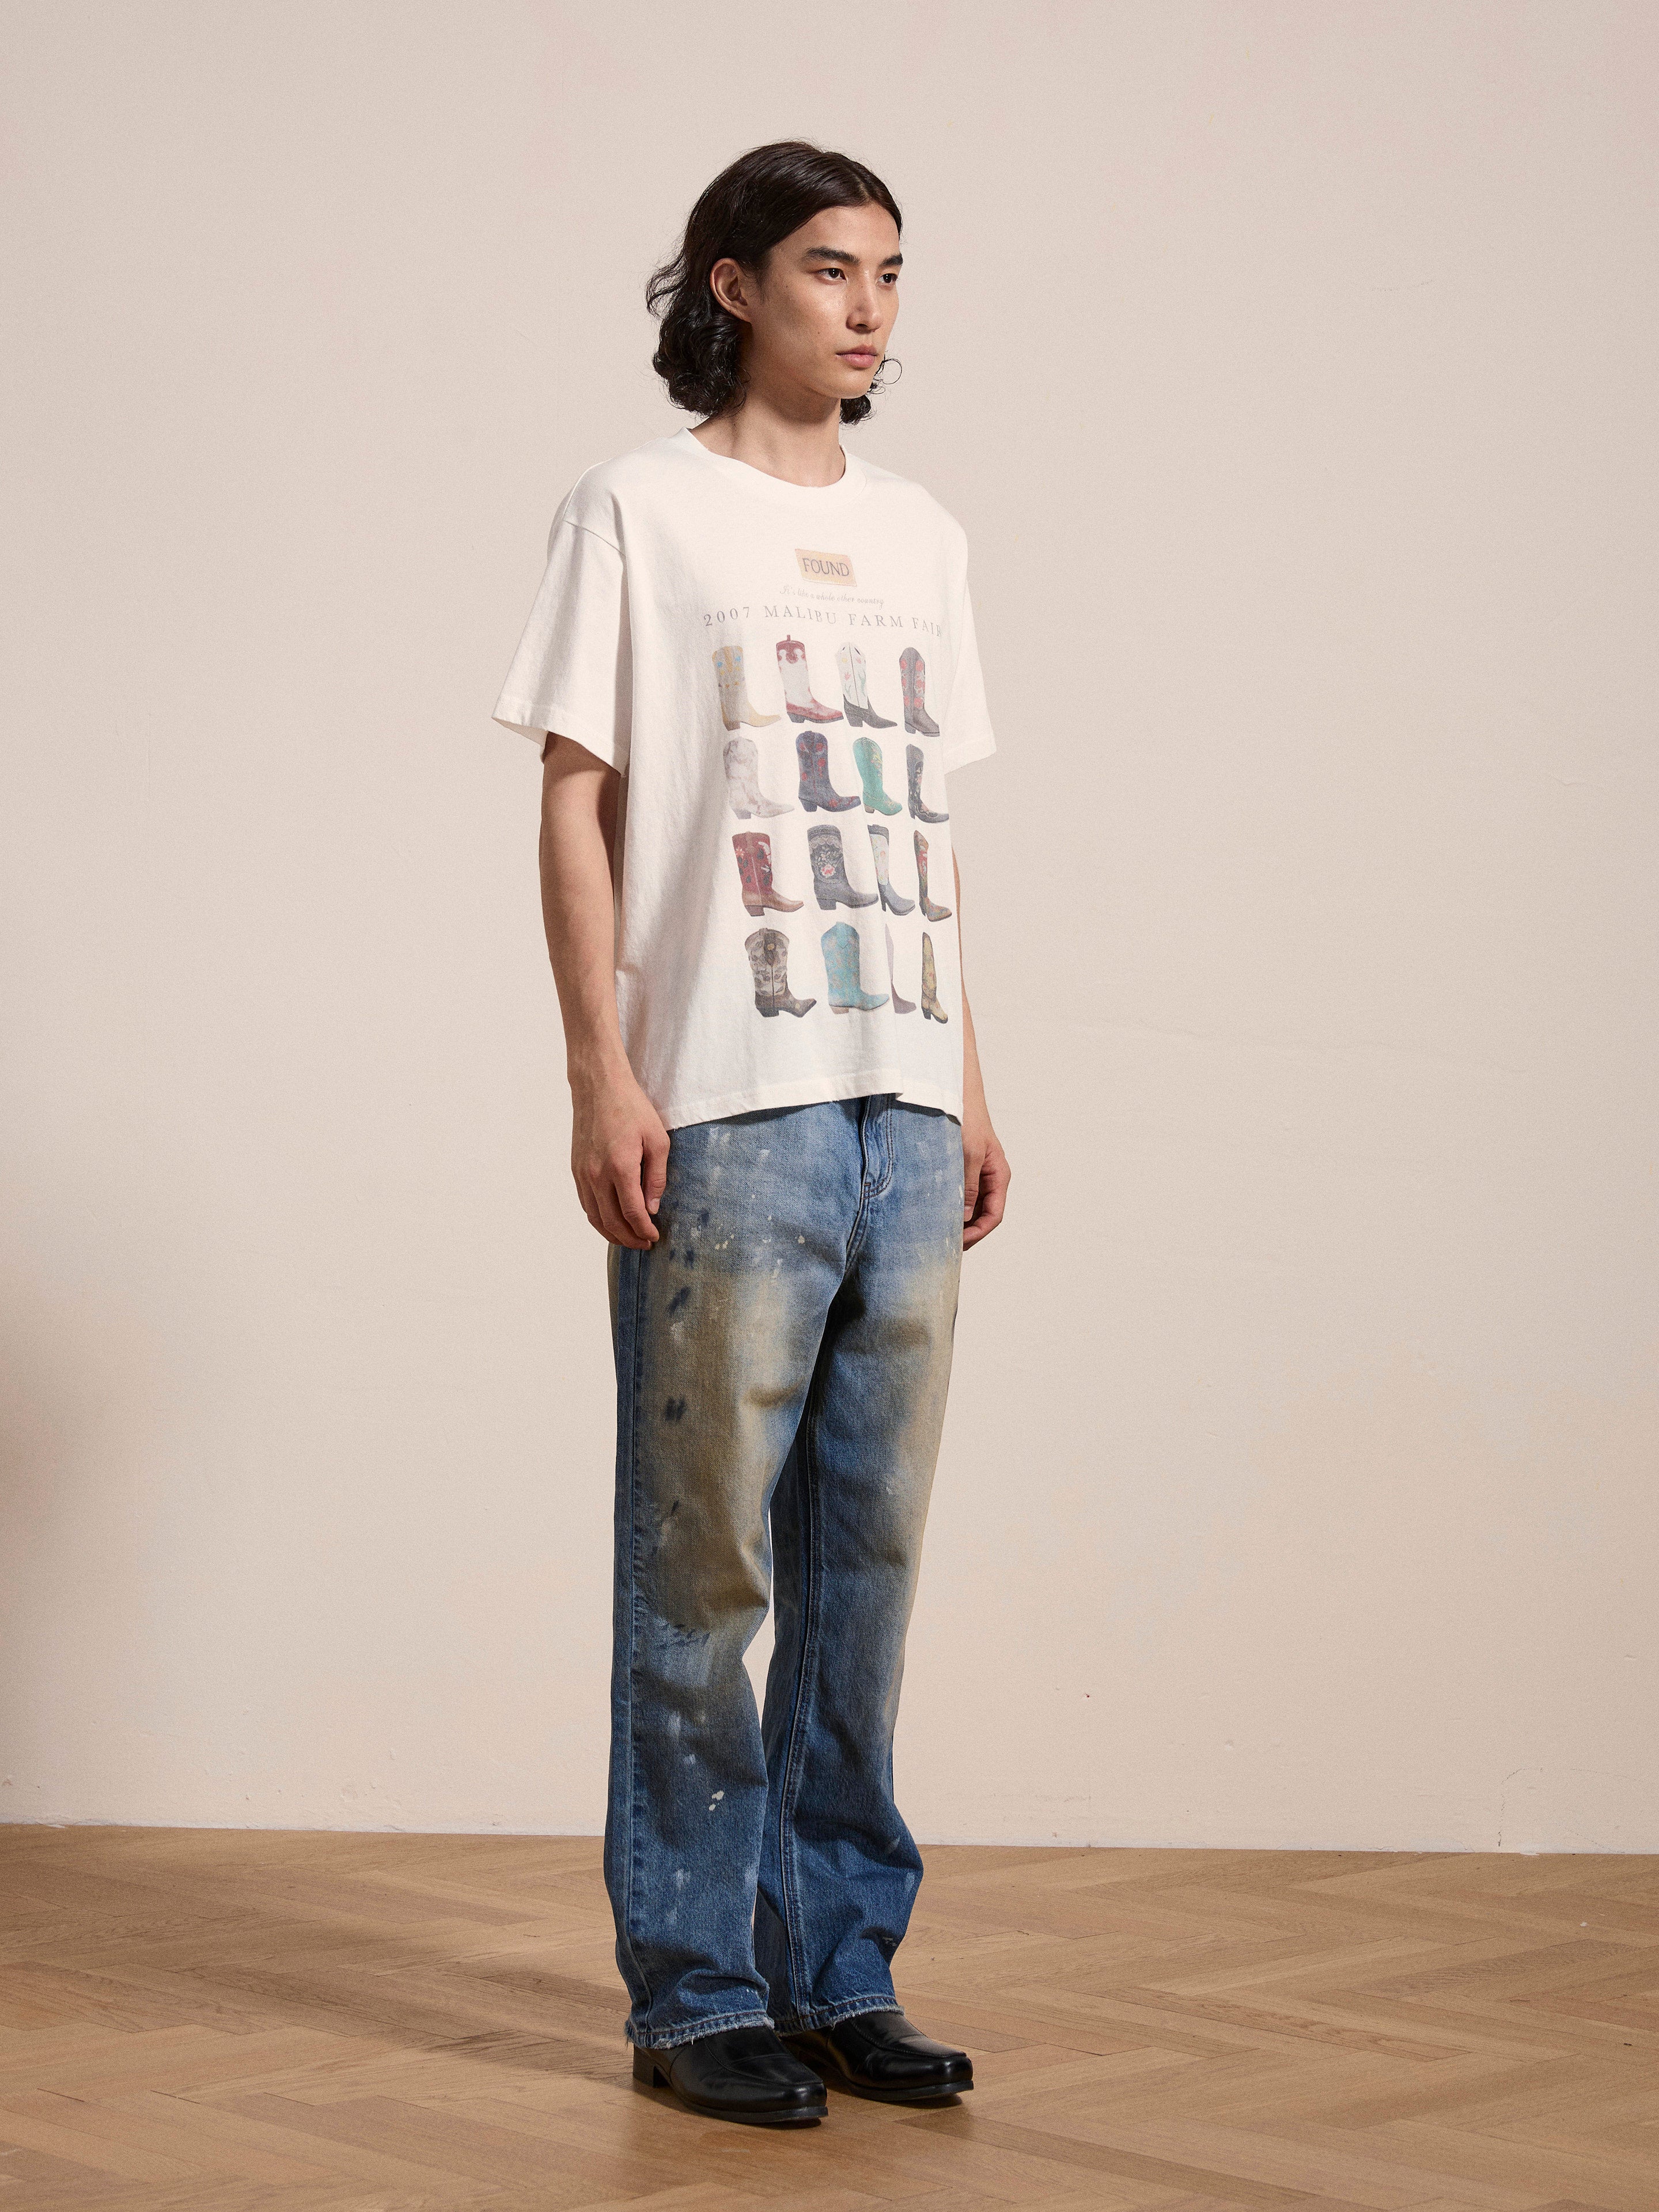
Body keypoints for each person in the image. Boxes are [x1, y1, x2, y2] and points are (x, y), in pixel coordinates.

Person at [491, 140, 1010, 2128]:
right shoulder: (636, 509)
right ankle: (700, 1983)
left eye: (890, 272)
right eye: (827, 270)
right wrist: (596, 1070)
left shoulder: (926, 536)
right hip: (723, 1104)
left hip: (902, 1112)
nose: (868, 308)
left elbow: (924, 829)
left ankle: (836, 1964)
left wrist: (969, 1082)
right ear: (732, 285)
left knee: (865, 1568)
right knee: (700, 1574)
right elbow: (576, 799)